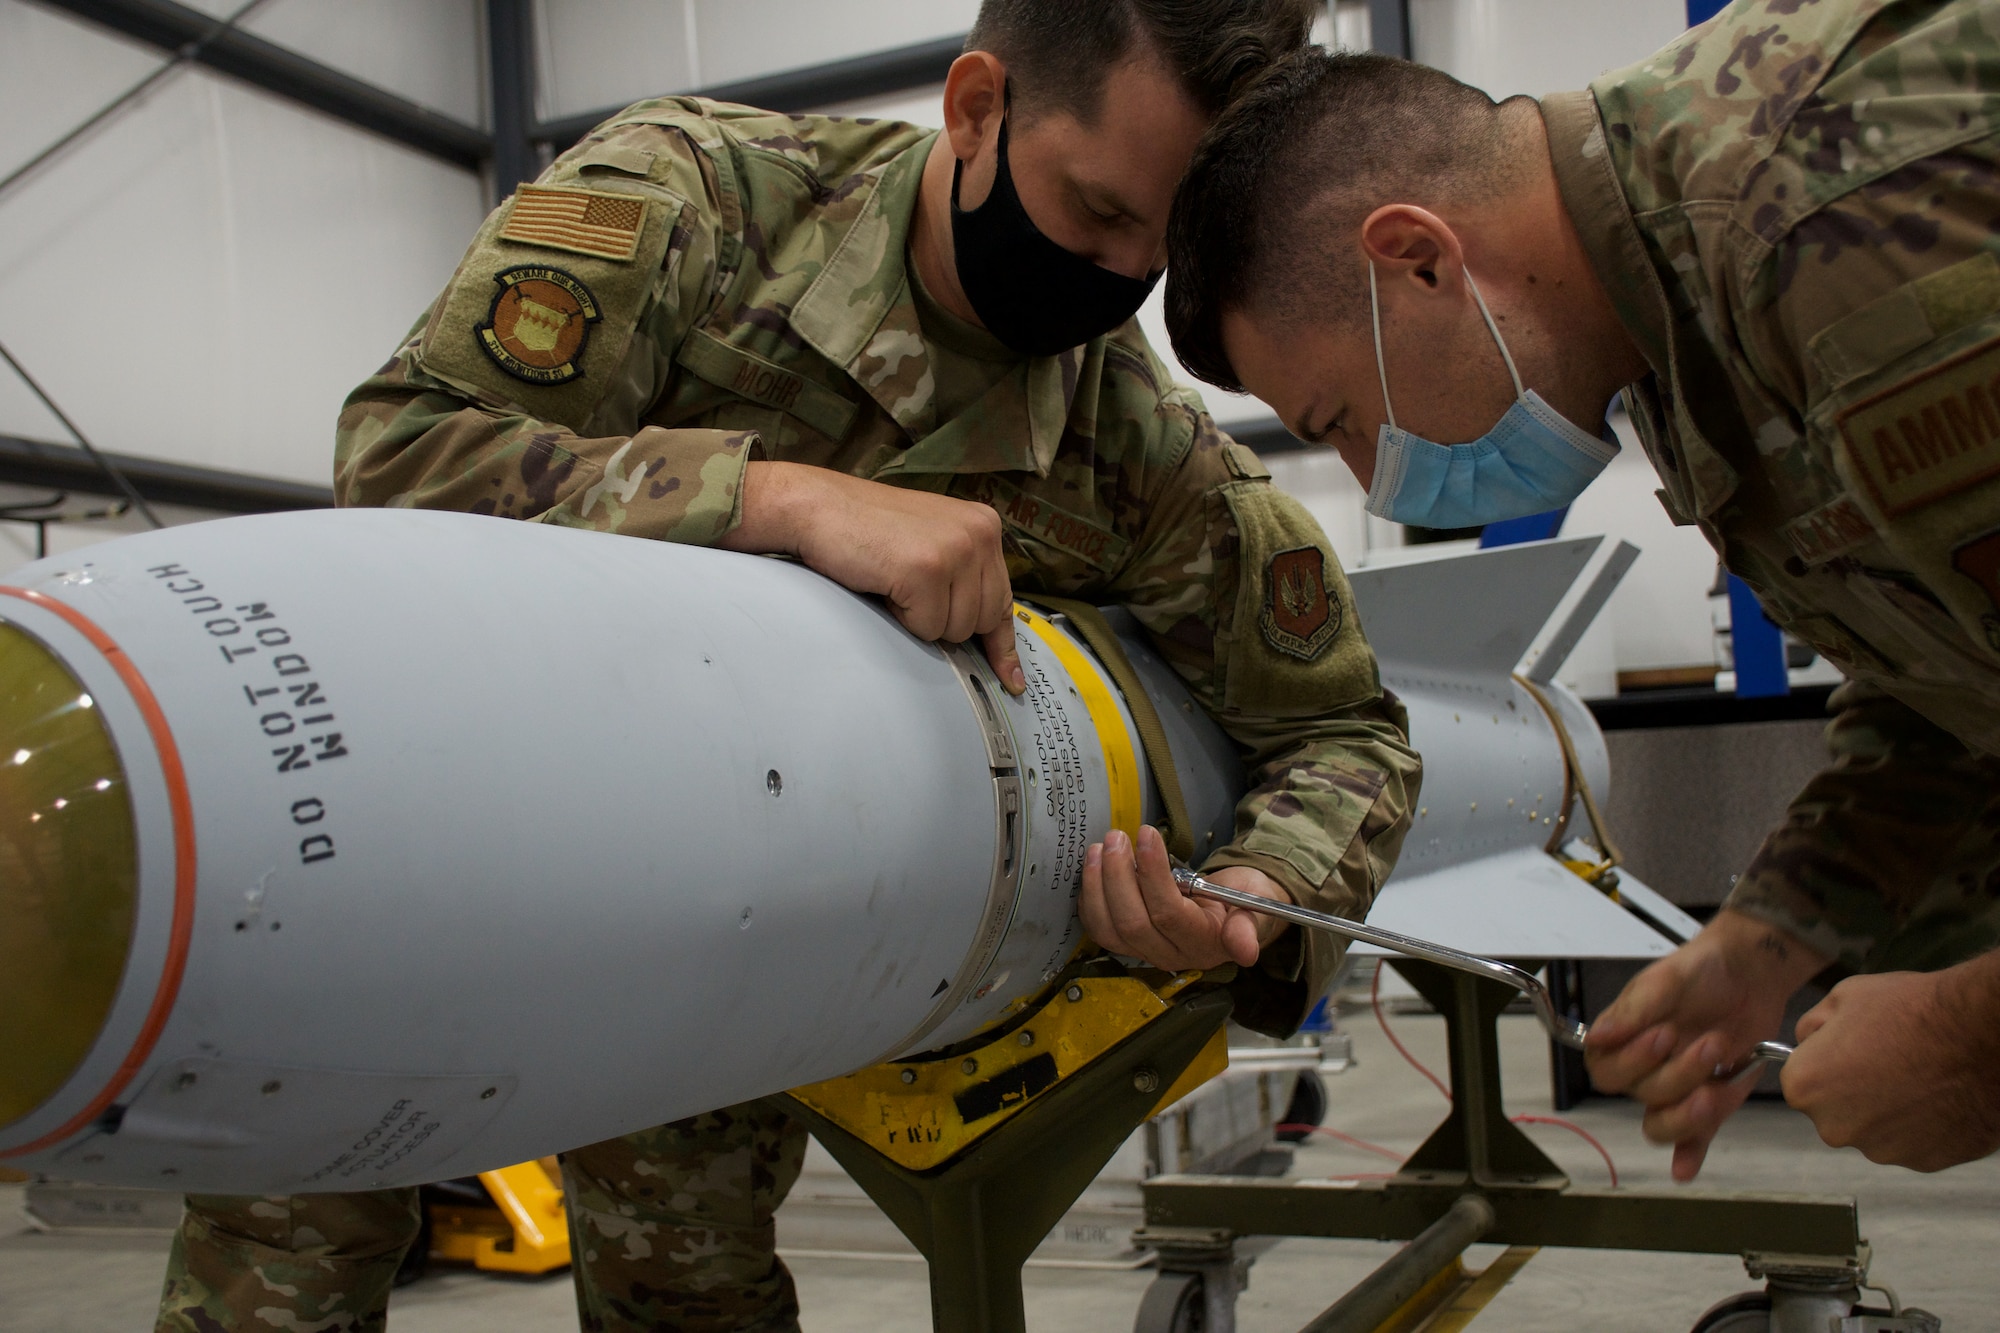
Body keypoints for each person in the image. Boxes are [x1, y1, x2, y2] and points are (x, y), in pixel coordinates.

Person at [155, 4, 1424, 1331]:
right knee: (278, 1283)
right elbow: (402, 459)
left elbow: (1350, 732)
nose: (1120, 271)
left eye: (1160, 243)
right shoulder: (693, 201)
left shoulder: (1135, 448)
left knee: (689, 1298)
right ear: (977, 104)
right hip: (413, 852)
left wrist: (1266, 883)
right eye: (1097, 209)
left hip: (717, 963)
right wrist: (778, 500)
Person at [1160, 0, 2000, 1184]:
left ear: (1419, 257)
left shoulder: (1829, 235)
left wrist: (1974, 1044)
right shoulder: (1663, 329)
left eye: (1339, 420)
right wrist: (1768, 941)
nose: (1366, 478)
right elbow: (1941, 681)